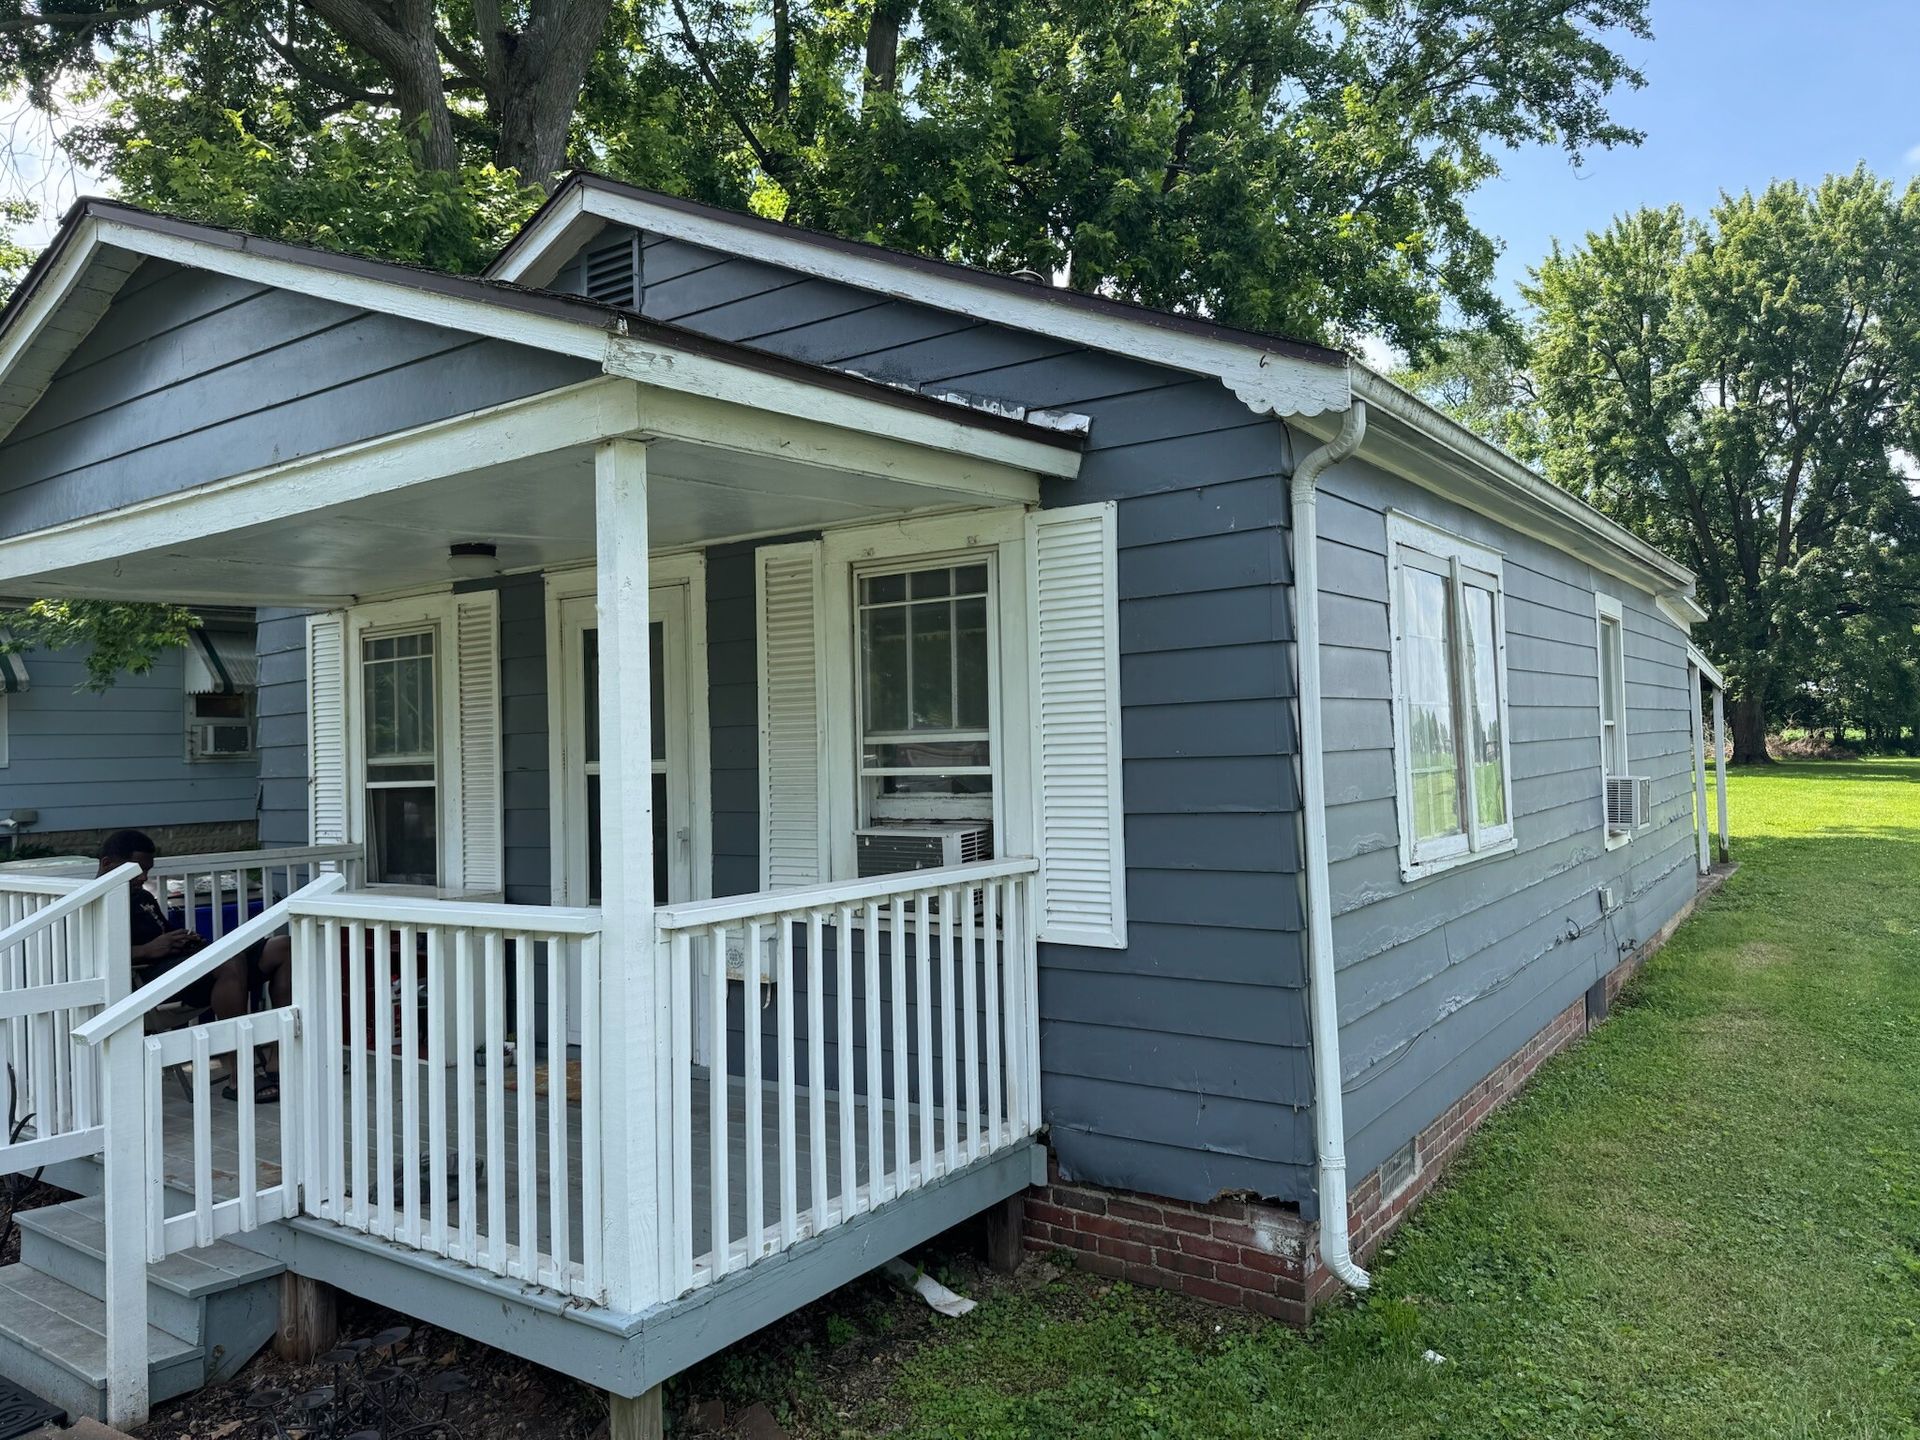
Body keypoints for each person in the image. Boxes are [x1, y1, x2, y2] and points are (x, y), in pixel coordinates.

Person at [98, 830, 288, 1101]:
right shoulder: (93, 904)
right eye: (137, 871)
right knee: (227, 962)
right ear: (107, 864)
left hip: (184, 968)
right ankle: (240, 1074)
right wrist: (147, 950)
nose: (144, 878)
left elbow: (163, 933)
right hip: (154, 985)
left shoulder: (141, 897)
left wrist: (183, 940)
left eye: (147, 871)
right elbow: (95, 956)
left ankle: (278, 1059)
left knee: (281, 947)